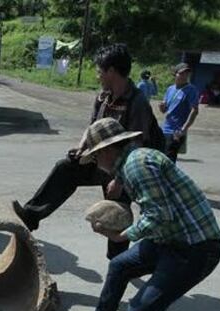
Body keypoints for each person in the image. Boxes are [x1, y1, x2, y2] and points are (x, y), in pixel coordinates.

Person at [63, 118, 220, 311]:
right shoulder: (133, 161)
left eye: (94, 158)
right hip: (169, 239)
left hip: (194, 249)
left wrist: (122, 235)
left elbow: (160, 214)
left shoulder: (137, 166)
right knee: (119, 266)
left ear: (106, 151)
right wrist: (118, 179)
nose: (95, 164)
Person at [14, 43, 163, 260]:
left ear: (111, 71)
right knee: (66, 167)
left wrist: (119, 180)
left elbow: (136, 146)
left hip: (129, 167)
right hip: (103, 159)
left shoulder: (137, 102)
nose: (97, 76)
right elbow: (92, 127)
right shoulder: (103, 96)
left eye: (99, 71)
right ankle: (29, 216)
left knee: (116, 212)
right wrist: (81, 147)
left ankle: (119, 262)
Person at [159, 62, 200, 162]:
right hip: (165, 129)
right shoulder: (170, 89)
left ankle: (169, 177)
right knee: (163, 158)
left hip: (177, 131)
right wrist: (161, 107)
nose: (184, 76)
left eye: (187, 73)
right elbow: (164, 111)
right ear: (175, 74)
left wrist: (184, 129)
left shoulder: (191, 90)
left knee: (169, 159)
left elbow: (194, 110)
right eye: (181, 73)